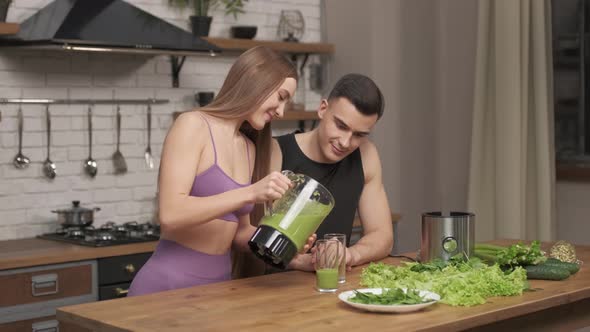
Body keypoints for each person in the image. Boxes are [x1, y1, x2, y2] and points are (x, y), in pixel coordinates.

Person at [128, 46, 313, 296]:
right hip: (167, 287)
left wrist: (286, 241)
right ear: (254, 79)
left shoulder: (249, 147)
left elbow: (238, 234)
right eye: (280, 97)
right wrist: (249, 193)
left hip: (218, 288)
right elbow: (171, 214)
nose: (281, 111)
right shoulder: (193, 125)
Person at [271, 73, 394, 272]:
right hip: (274, 287)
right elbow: (252, 240)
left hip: (331, 286)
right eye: (341, 126)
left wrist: (350, 254)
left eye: (359, 135)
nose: (345, 142)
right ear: (322, 109)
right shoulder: (277, 151)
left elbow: (382, 235)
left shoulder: (366, 155)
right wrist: (304, 262)